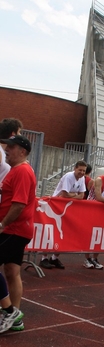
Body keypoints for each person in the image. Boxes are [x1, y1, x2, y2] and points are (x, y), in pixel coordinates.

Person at [0, 135, 36, 331]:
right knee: (12, 272)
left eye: (11, 147)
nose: (7, 149)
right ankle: (15, 319)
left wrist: (2, 224)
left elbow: (19, 204)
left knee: (11, 273)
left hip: (13, 229)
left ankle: (9, 312)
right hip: (17, 228)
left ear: (22, 151)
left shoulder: (22, 171)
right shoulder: (17, 170)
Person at [39, 160, 87, 270]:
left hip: (68, 208)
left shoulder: (82, 178)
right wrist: (75, 195)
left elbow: (82, 195)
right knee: (51, 232)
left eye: (84, 171)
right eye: (80, 170)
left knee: (64, 232)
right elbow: (64, 194)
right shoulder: (69, 177)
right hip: (55, 207)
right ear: (75, 168)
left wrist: (72, 195)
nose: (82, 172)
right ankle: (44, 258)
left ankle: (54, 257)